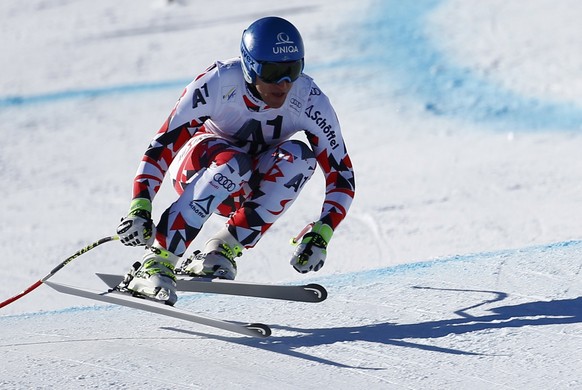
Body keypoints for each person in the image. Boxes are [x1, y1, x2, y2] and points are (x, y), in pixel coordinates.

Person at [115, 16, 356, 305]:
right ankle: (157, 259)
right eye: (272, 72)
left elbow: (342, 176)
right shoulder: (218, 82)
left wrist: (322, 232)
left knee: (301, 158)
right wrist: (140, 205)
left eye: (292, 70)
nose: (283, 84)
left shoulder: (309, 99)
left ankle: (222, 248)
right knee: (234, 161)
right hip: (200, 168)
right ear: (250, 66)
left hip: (245, 187)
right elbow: (162, 146)